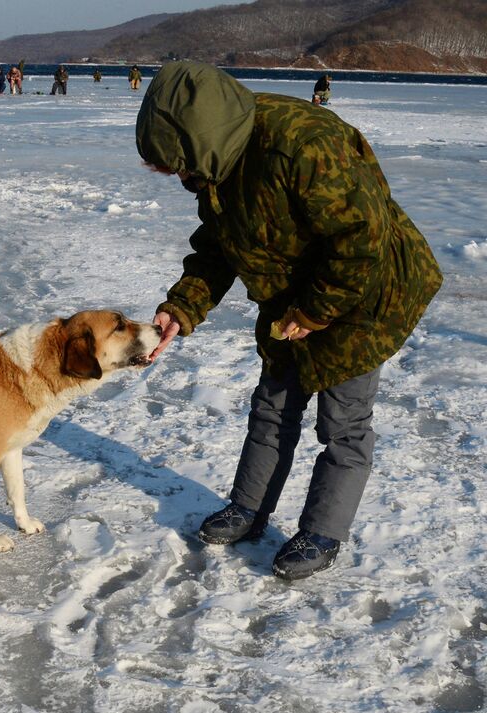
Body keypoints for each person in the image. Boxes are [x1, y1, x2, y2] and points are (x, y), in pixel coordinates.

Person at [136, 61, 442, 580]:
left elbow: (360, 242)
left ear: (196, 137)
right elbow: (218, 245)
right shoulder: (219, 159)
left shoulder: (304, 144)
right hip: (288, 293)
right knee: (273, 405)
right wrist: (182, 306)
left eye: (176, 165)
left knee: (343, 423)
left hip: (364, 297)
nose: (176, 177)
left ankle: (323, 530)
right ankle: (249, 507)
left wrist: (315, 312)